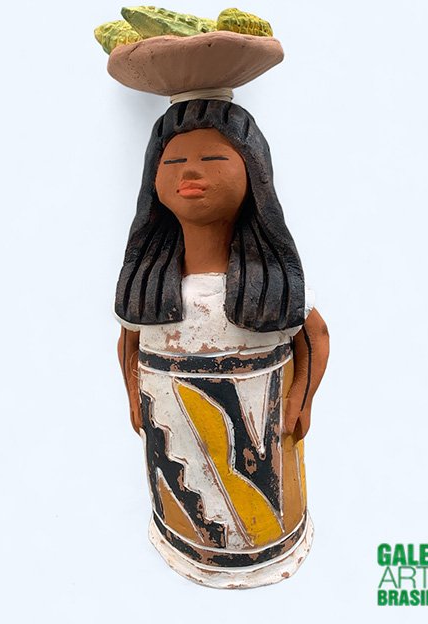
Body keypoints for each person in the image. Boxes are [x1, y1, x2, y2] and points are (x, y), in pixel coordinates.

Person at [116, 99, 329, 588]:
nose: (190, 172)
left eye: (213, 159)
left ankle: (265, 550)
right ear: (154, 180)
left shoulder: (273, 286)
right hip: (171, 450)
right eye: (174, 161)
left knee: (259, 509)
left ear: (254, 174)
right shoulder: (149, 286)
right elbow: (128, 343)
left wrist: (300, 402)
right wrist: (134, 399)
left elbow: (314, 337)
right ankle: (182, 538)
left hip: (264, 456)